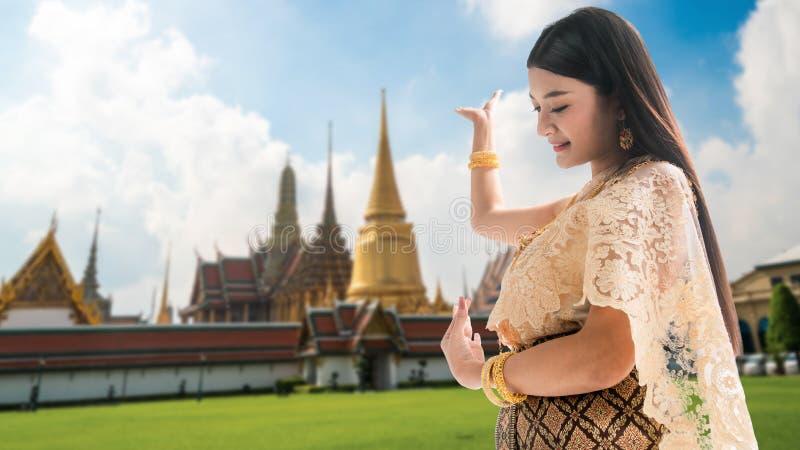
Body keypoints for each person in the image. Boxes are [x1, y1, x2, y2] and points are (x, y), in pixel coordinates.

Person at [440, 6, 758, 449]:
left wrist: (479, 373)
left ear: (619, 99)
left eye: (559, 105)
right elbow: (487, 219)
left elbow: (605, 355)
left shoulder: (649, 186)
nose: (541, 126)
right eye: (536, 108)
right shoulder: (584, 206)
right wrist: (483, 136)